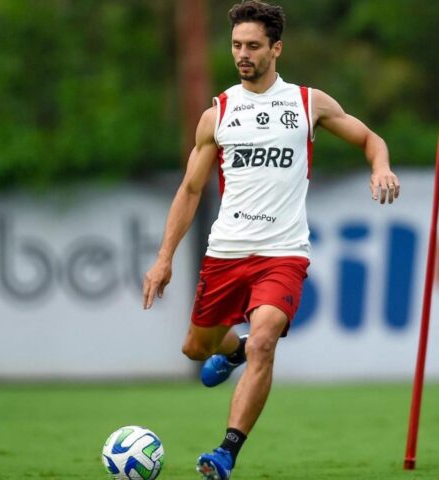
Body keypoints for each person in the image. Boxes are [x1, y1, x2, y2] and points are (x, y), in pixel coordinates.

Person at [141, 1, 399, 478]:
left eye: (253, 46)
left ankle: (225, 453)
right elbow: (191, 190)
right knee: (196, 349)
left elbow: (371, 139)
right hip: (225, 253)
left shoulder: (307, 103)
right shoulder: (217, 113)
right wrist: (163, 258)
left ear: (276, 49)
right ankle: (232, 350)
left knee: (265, 342)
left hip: (283, 254)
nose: (242, 54)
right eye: (237, 45)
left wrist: (380, 165)